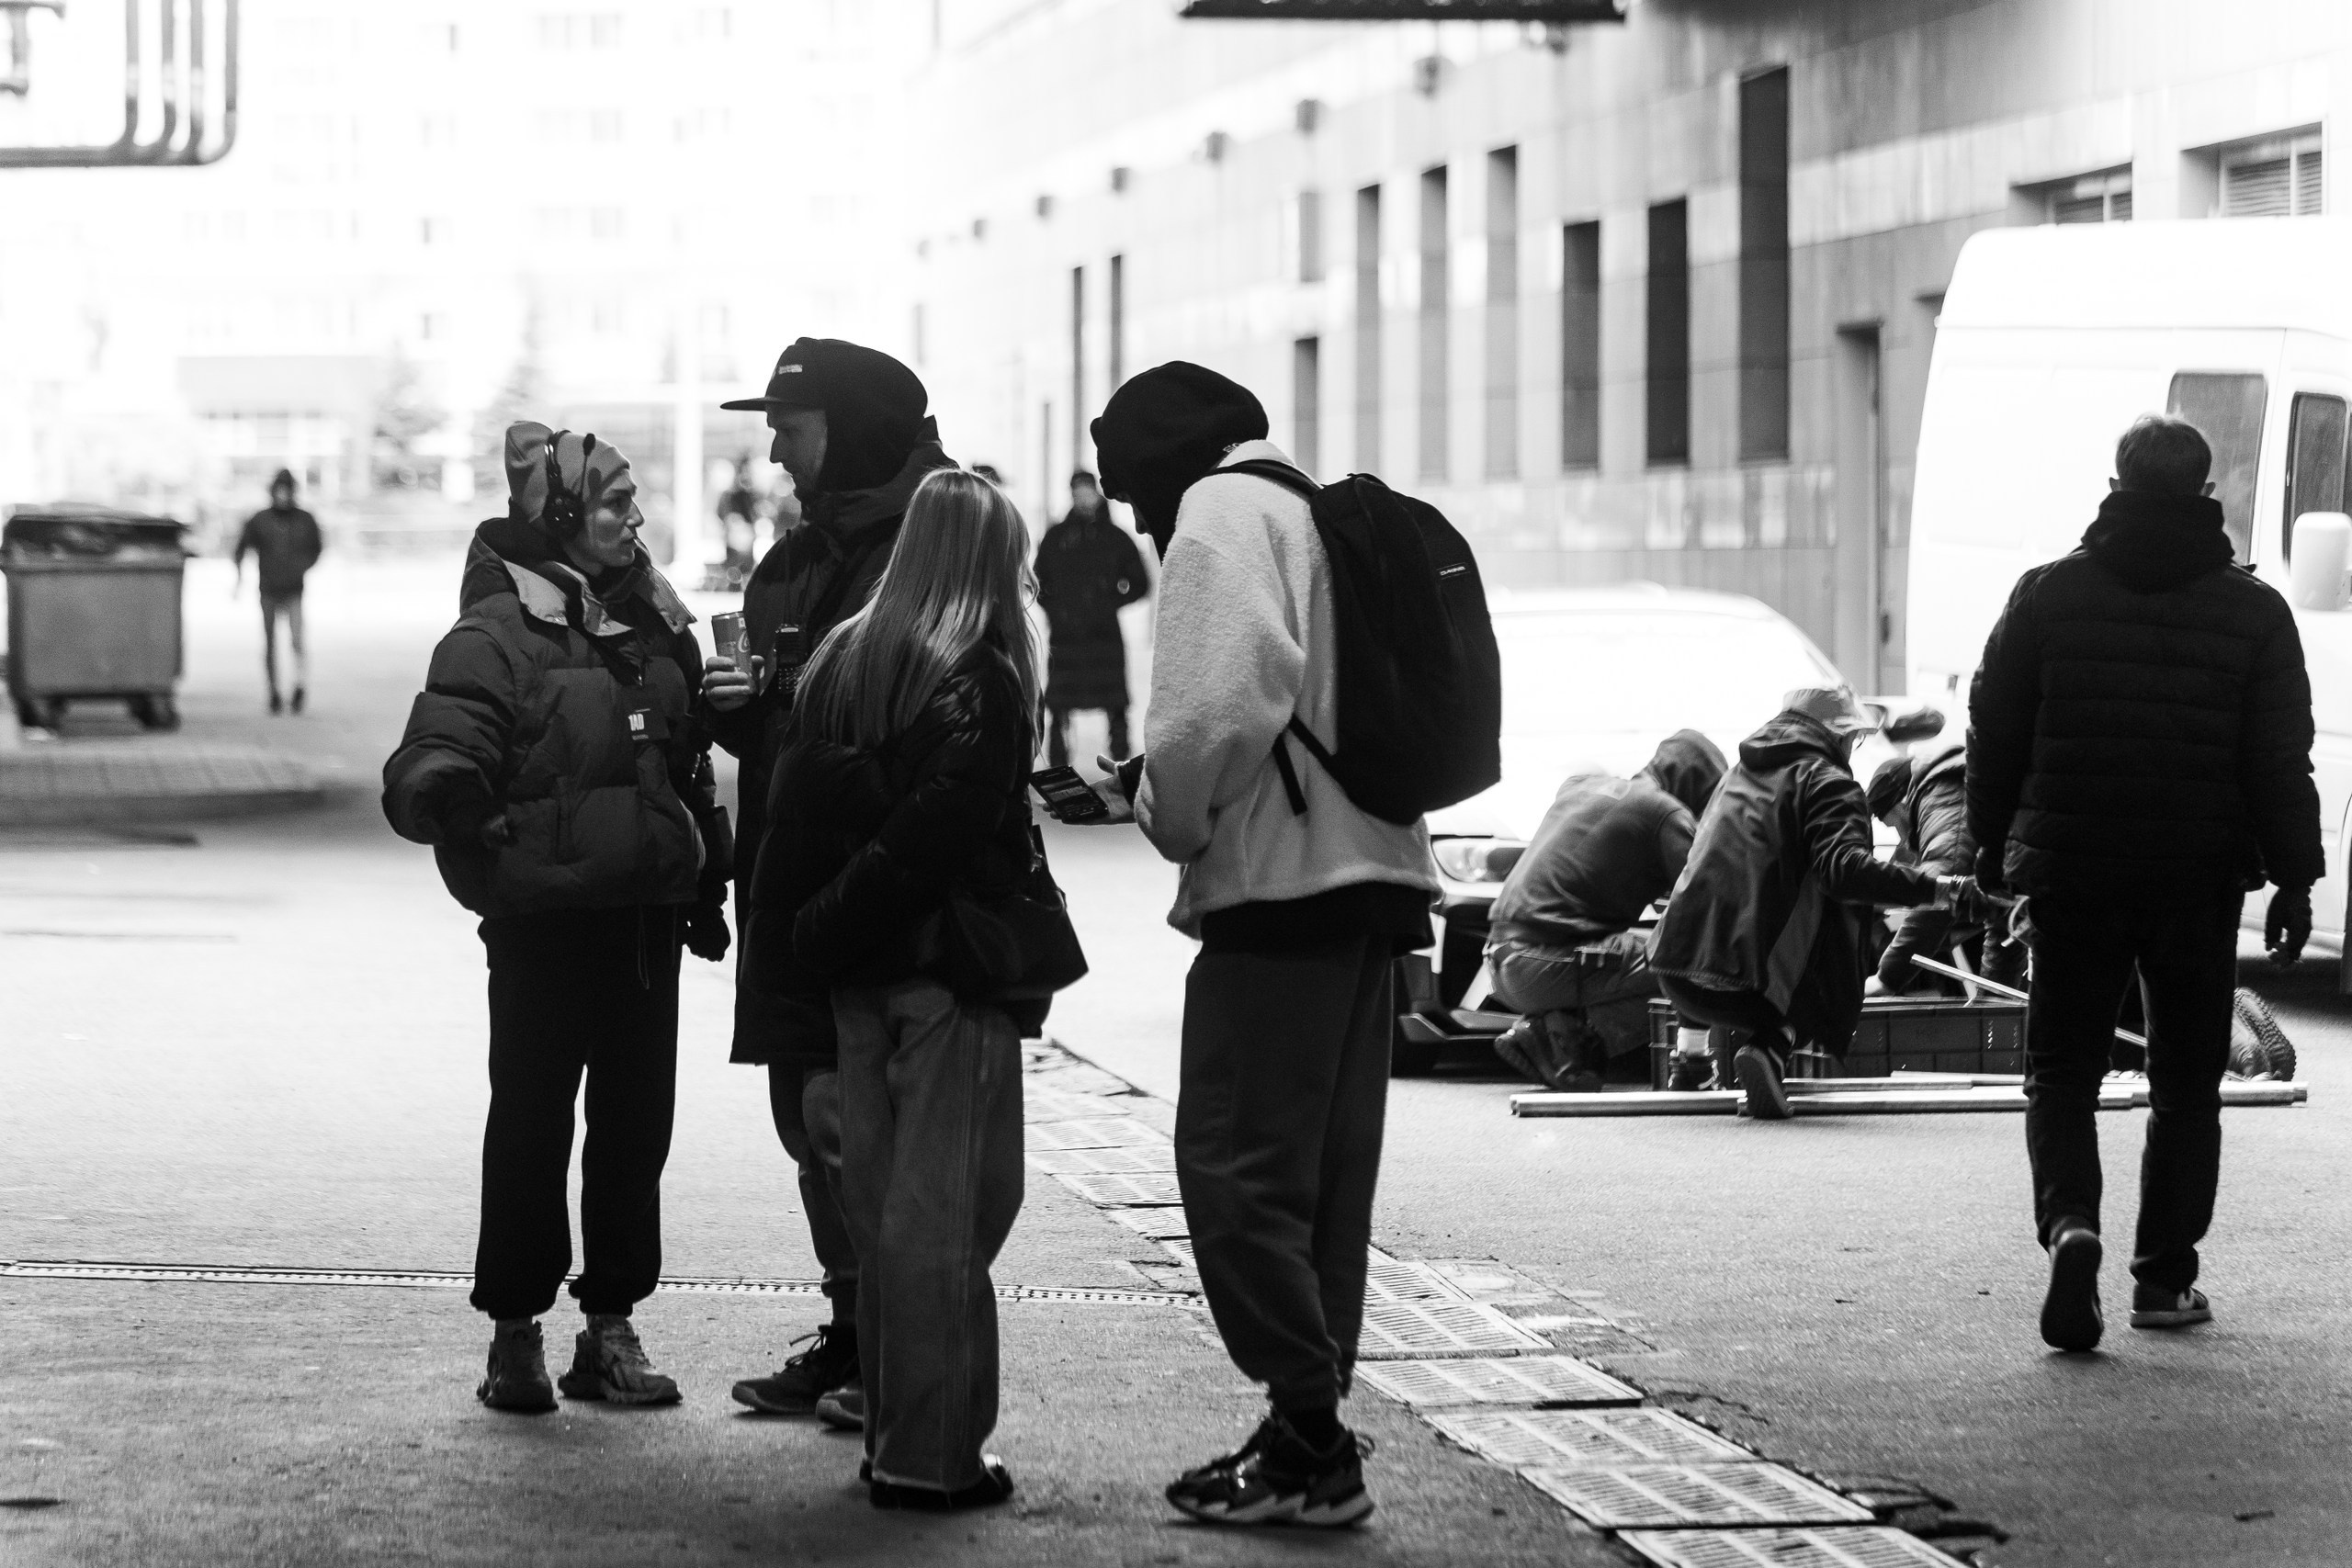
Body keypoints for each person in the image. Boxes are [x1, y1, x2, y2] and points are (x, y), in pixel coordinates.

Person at [1089, 362, 1436, 1529]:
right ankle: (1305, 1427)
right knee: (1324, 1183)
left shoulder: (1218, 514)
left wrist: (1166, 813)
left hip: (1283, 887)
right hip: (1372, 878)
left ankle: (1310, 1442)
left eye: (1131, 493)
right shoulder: (1304, 507)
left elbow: (1212, 713)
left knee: (1234, 1170)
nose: (1139, 521)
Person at [382, 423, 731, 1414]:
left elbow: (683, 763)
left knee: (634, 1131)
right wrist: (452, 795)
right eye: (617, 502)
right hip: (543, 923)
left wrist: (705, 876)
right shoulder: (494, 634)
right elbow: (436, 744)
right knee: (532, 1127)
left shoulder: (652, 623)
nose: (637, 516)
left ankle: (609, 1329)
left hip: (642, 921)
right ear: (565, 514)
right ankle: (514, 1333)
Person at [1967, 414, 2322, 1353]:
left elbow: (1993, 730)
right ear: (2206, 492)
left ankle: (2069, 1226)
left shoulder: (2047, 594)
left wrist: (1987, 844)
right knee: (2185, 1084)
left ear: (2116, 483)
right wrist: (2294, 879)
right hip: (2196, 879)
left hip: (2072, 873)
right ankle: (2163, 1279)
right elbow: (2279, 759)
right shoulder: (2254, 611)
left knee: (2061, 1071)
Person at [750, 468, 1041, 1511]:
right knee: (949, 1219)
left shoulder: (846, 654)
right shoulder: (979, 671)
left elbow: (800, 810)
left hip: (854, 985)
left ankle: (892, 1436)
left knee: (884, 1220)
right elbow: (932, 841)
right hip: (942, 975)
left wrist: (816, 939)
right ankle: (932, 1455)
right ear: (992, 561)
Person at [705, 339, 957, 1428]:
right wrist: (735, 708)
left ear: (847, 432)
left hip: (873, 891)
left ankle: (899, 1359)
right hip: (789, 879)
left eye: (789, 427)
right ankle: (854, 1331)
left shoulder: (931, 550)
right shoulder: (800, 556)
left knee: (866, 1131)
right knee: (810, 1122)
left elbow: (920, 732)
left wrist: (781, 711)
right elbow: (785, 720)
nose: (773, 450)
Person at [1649, 687, 1986, 1120]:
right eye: (1854, 738)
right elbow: (1845, 871)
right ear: (1840, 735)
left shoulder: (1735, 778)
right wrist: (1944, 889)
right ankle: (1773, 1042)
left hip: (1675, 971)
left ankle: (1691, 1060)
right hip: (1748, 987)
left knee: (1719, 907)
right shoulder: (1829, 782)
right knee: (1839, 918)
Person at [1483, 731, 1726, 1093]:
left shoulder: (1582, 788)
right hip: (1546, 961)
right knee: (1692, 957)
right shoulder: (1667, 814)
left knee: (1649, 947)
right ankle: (1564, 1042)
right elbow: (1708, 904)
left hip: (1500, 957)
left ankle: (1556, 1030)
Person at [1865, 741, 2025, 996]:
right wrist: (1995, 1003)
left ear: (1902, 802)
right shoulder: (1961, 792)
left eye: (1893, 824)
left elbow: (1944, 880)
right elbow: (2008, 918)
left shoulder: (1945, 793)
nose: (1902, 839)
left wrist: (1887, 978)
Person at [1035, 468, 1149, 765]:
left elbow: (1140, 583)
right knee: (1059, 708)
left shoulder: (1115, 537)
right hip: (1066, 636)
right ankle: (1059, 772)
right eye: (1078, 490)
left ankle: (1122, 768)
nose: (1082, 496)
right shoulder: (1057, 537)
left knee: (1115, 708)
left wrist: (1108, 605)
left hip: (1103, 635)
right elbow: (1038, 582)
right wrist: (1058, 610)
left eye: (1086, 489)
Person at [232, 468, 325, 715]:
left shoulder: (304, 520)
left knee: (297, 640)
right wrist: (239, 578)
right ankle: (273, 690)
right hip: (269, 589)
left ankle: (299, 684)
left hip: (294, 589)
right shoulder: (261, 520)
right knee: (270, 642)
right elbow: (242, 547)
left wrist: (301, 567)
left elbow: (316, 548)